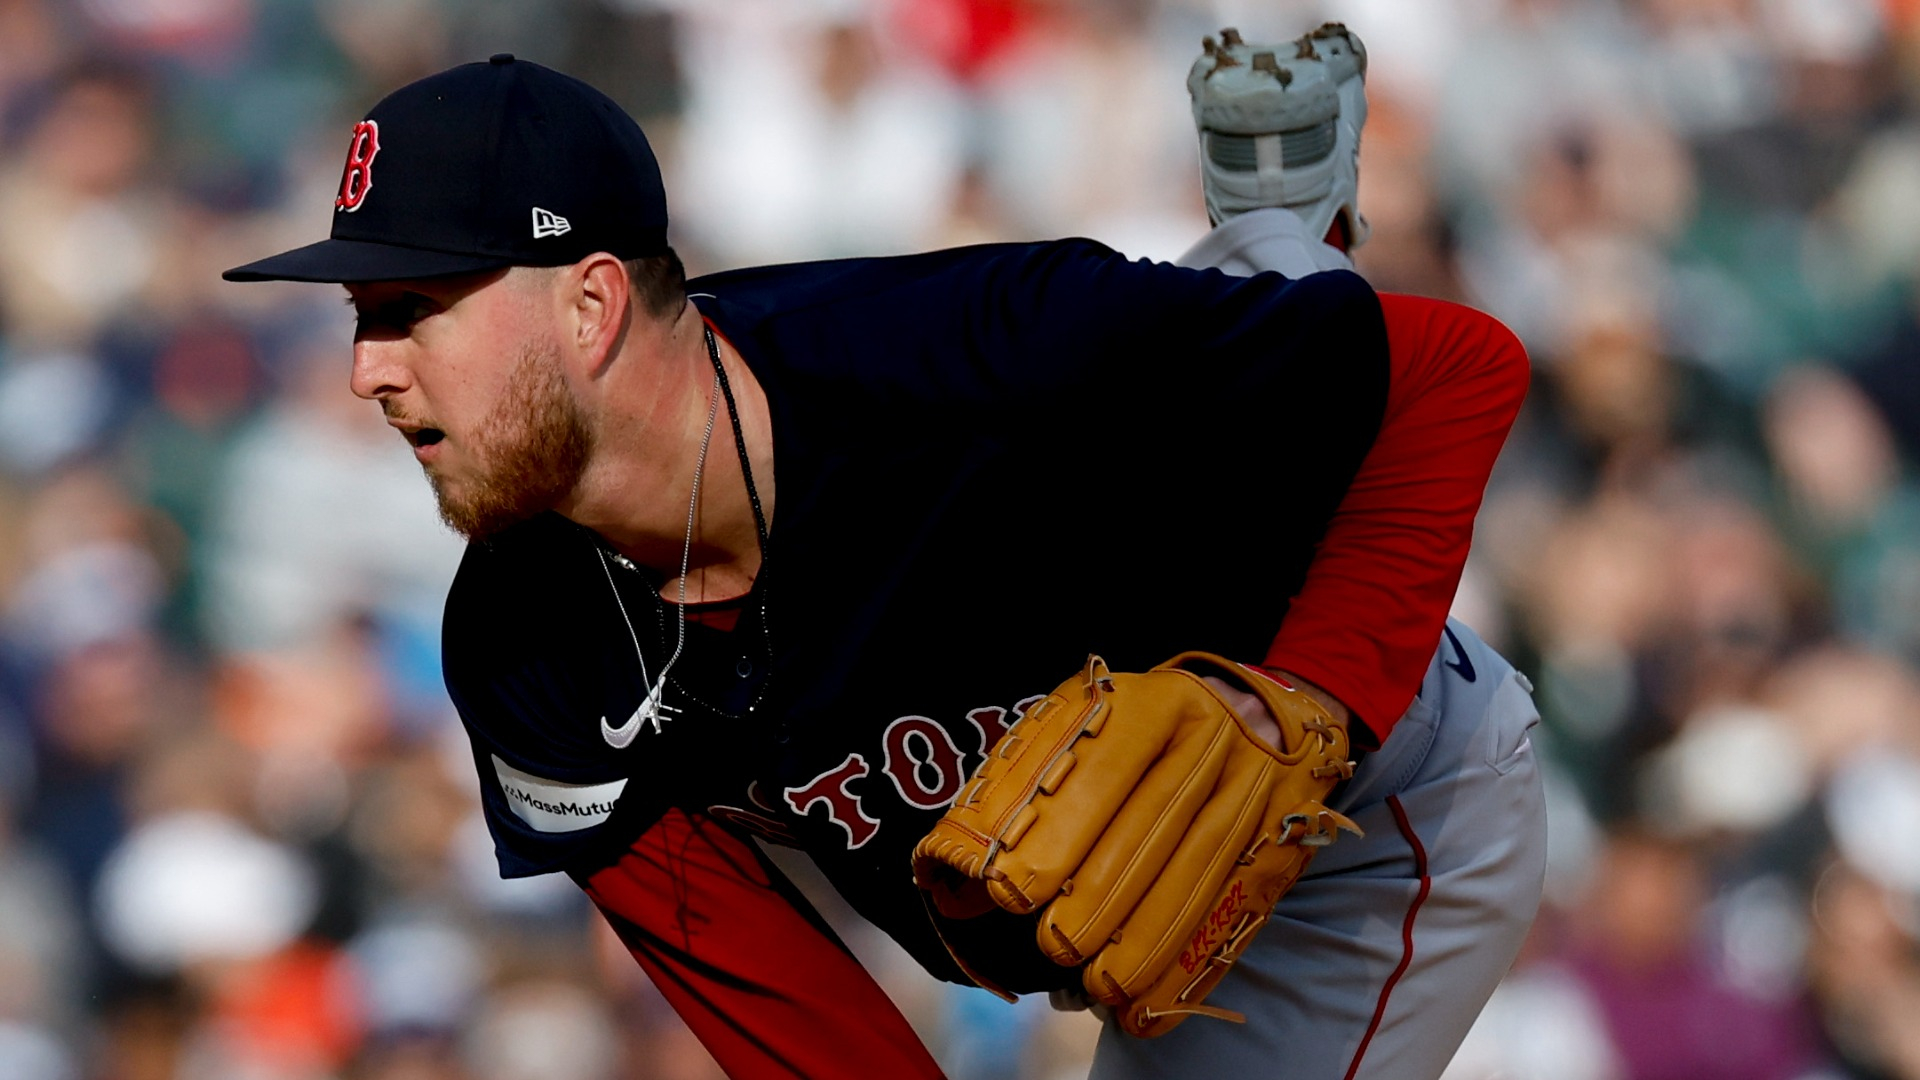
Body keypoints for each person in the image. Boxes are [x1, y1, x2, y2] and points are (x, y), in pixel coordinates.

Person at [224, 28, 1545, 1079]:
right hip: (1103, 915)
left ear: (589, 301)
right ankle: (1261, 265)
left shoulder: (962, 359)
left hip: (1372, 803)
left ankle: (1276, 242)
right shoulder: (525, 651)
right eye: (357, 315)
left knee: (1241, 363)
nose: (363, 372)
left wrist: (1301, 697)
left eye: (410, 311)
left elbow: (1457, 368)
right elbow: (791, 1022)